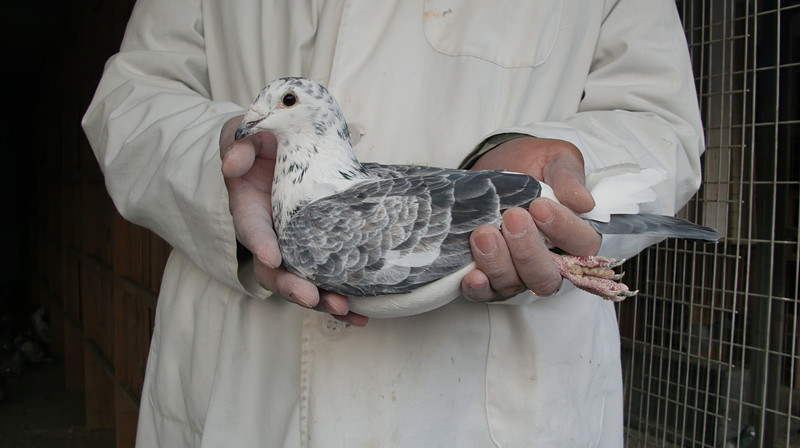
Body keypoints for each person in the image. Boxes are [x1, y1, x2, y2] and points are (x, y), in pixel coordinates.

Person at [82, 1, 704, 446]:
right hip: (248, 386)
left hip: (490, 395)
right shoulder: (299, 196)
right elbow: (133, 100)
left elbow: (658, 120)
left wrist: (548, 169)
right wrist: (219, 159)